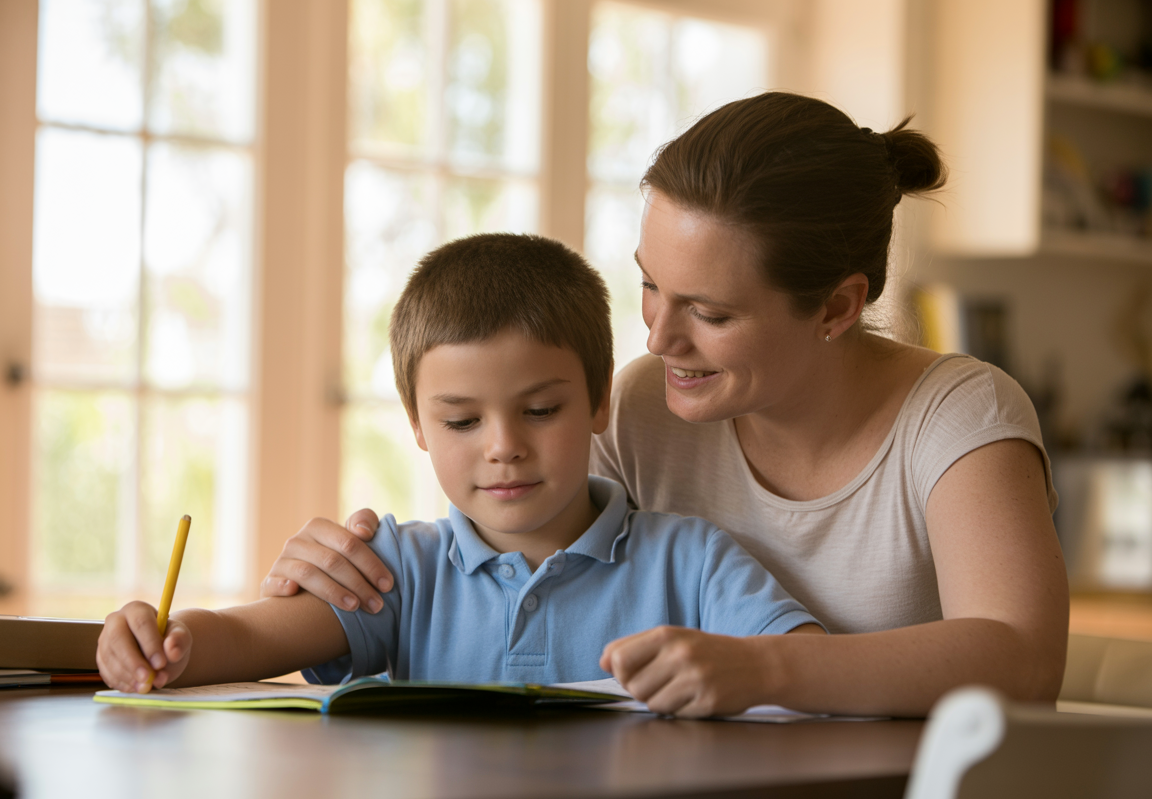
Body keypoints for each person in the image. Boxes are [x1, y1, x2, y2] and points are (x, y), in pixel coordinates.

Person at [261, 92, 1069, 718]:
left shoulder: (959, 416)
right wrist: (350, 577)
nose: (659, 340)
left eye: (711, 314)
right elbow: (527, 542)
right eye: (651, 285)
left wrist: (765, 667)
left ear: (836, 306)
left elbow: (1021, 662)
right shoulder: (651, 404)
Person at [97, 234, 823, 700]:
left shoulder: (693, 563)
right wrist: (165, 641)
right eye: (462, 421)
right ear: (417, 425)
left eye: (541, 410)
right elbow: (252, 638)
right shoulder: (395, 570)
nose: (502, 445)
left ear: (601, 402)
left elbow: (809, 668)